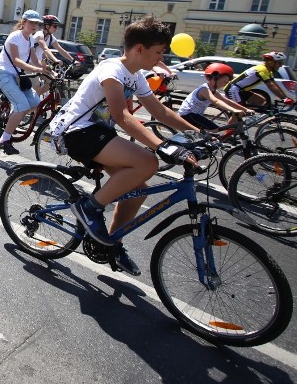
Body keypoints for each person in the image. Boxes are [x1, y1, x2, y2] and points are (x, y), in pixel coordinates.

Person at [48, 15, 200, 275]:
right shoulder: (112, 71)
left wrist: (199, 133)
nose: (161, 60)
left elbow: (160, 112)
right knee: (148, 161)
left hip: (97, 133)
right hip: (76, 132)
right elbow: (121, 115)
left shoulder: (137, 75)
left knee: (137, 192)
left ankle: (110, 243)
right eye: (158, 53)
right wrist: (162, 145)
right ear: (139, 49)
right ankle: (89, 207)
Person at [0, 10, 52, 155]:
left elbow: (34, 59)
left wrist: (45, 69)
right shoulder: (15, 37)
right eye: (31, 22)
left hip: (19, 76)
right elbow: (16, 60)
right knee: (22, 105)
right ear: (23, 22)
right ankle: (3, 140)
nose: (34, 25)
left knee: (36, 103)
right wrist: (37, 69)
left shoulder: (30, 39)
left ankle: (13, 116)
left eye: (36, 23)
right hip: (3, 73)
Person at [177, 63, 252, 130]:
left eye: (227, 82)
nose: (225, 84)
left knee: (209, 133)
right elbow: (216, 101)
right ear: (213, 78)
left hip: (195, 114)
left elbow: (226, 100)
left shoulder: (213, 90)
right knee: (214, 129)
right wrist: (234, 110)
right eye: (224, 82)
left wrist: (245, 109)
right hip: (187, 114)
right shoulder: (204, 89)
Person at [223, 51, 295, 107]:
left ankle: (247, 121)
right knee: (238, 112)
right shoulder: (262, 69)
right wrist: (284, 98)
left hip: (241, 90)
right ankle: (232, 125)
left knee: (262, 101)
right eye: (279, 63)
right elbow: (270, 85)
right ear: (271, 62)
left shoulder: (268, 71)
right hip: (233, 89)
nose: (281, 65)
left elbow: (274, 84)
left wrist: (285, 97)